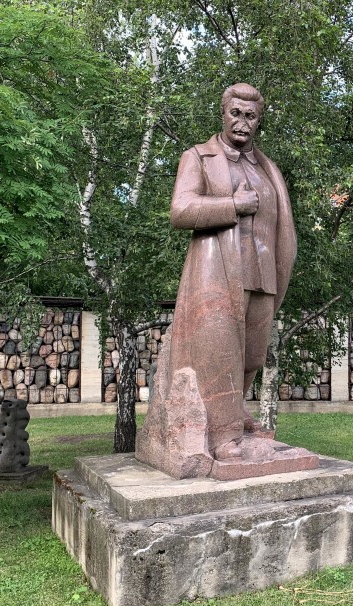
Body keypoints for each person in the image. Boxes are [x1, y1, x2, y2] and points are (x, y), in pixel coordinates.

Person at [144, 83, 296, 461]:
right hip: (219, 272)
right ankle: (221, 436)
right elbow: (181, 210)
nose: (242, 122)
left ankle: (236, 412)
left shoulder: (267, 167)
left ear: (258, 121)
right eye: (236, 114)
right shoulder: (198, 157)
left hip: (262, 274)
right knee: (220, 353)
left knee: (253, 357)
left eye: (251, 116)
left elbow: (282, 226)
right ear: (223, 113)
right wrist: (233, 204)